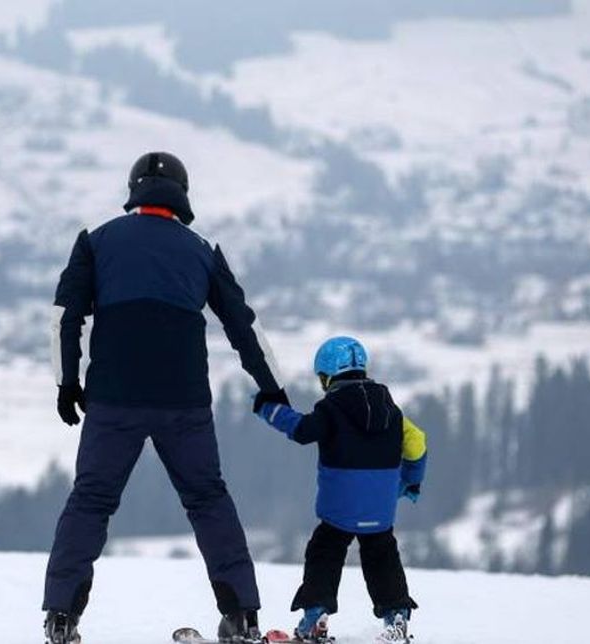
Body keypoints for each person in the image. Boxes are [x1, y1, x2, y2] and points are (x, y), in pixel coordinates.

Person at [44, 151, 289, 644]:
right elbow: (244, 327)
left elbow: (65, 317)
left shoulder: (96, 242)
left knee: (90, 501)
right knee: (207, 499)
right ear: (183, 193)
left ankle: (61, 619)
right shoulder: (201, 249)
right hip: (185, 403)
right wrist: (272, 387)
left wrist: (66, 381)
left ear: (134, 189)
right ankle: (242, 616)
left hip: (114, 398)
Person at [253, 336, 427, 644]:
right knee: (381, 553)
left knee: (326, 550)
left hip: (340, 507)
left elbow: (303, 430)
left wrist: (270, 410)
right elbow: (416, 444)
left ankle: (315, 614)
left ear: (327, 375)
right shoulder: (391, 408)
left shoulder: (331, 407)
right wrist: (411, 480)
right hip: (381, 507)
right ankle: (396, 615)